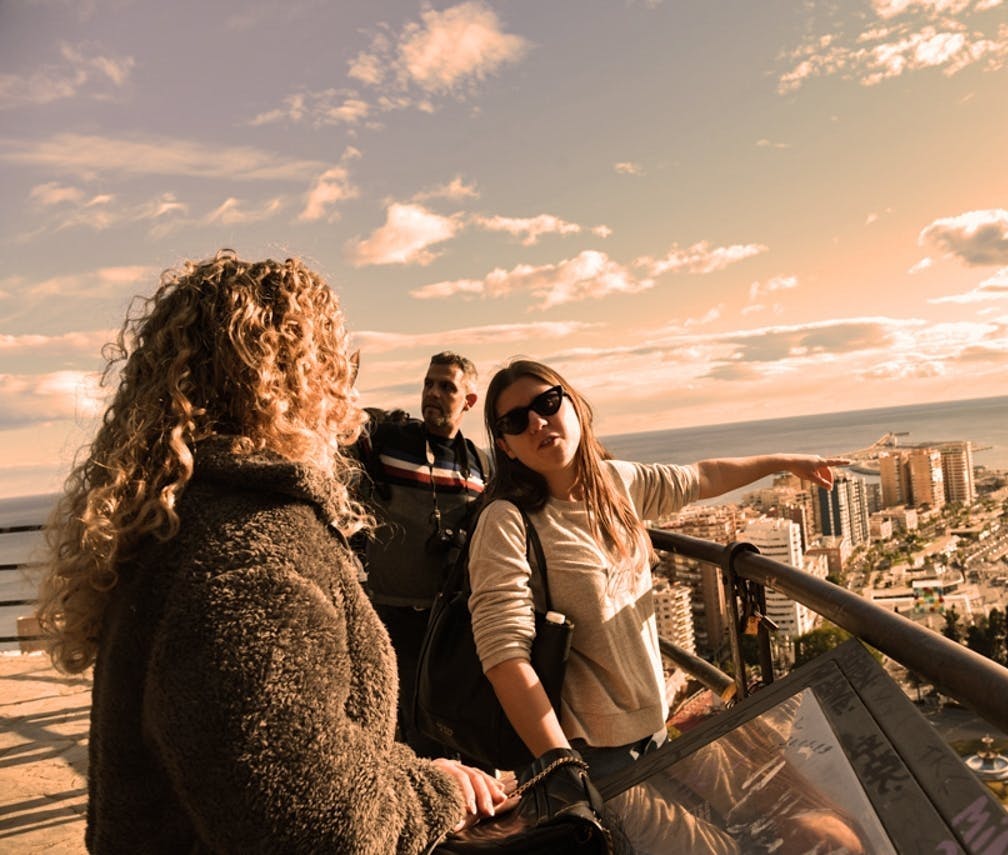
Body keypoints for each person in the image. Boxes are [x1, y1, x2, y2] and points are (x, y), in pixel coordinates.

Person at [35, 251, 507, 853]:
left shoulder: (179, 513)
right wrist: (436, 790)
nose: (347, 391)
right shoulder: (256, 551)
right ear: (298, 376)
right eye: (337, 363)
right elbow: (315, 823)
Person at [467, 359, 845, 781]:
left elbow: (700, 477)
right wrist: (561, 769)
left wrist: (783, 462)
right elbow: (504, 656)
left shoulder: (616, 484)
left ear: (574, 406)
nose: (537, 422)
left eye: (548, 403)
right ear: (504, 445)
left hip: (653, 732)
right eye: (516, 421)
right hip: (587, 753)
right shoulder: (506, 520)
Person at [351, 351, 486, 754]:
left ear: (469, 401)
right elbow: (340, 422)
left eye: (447, 386)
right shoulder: (390, 438)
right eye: (429, 383)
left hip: (449, 619)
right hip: (392, 613)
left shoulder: (477, 463)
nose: (433, 393)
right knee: (413, 728)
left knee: (458, 720)